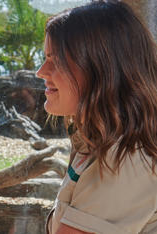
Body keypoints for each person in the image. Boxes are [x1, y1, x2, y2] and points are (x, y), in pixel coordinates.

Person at [37, 1, 157, 233]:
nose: (41, 71)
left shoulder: (126, 157)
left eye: (55, 59)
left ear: (100, 69)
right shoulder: (102, 140)